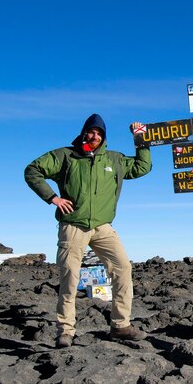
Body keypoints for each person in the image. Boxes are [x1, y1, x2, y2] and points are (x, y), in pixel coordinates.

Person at [24, 114, 152, 348]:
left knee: (123, 269)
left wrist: (140, 140)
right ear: (84, 133)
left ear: (103, 137)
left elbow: (142, 167)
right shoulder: (66, 156)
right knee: (70, 277)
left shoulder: (114, 159)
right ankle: (66, 330)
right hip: (73, 225)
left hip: (103, 227)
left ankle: (120, 326)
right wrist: (53, 198)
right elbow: (32, 170)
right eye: (91, 132)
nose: (94, 136)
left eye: (99, 133)